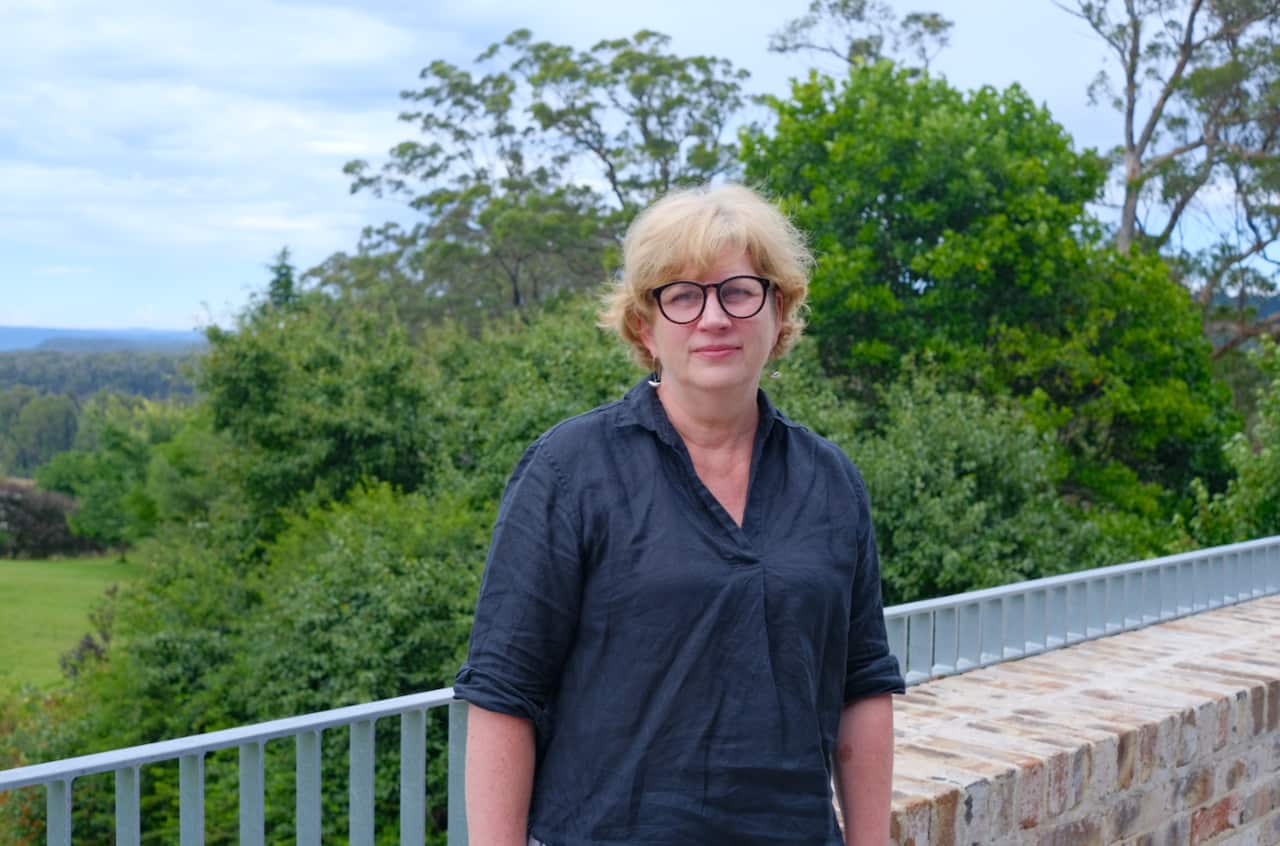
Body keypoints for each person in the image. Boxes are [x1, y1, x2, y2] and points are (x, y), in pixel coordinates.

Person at [453, 183, 905, 845]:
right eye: (683, 295)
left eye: (740, 290)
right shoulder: (570, 471)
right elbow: (503, 692)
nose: (714, 318)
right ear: (645, 324)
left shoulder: (830, 481)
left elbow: (862, 686)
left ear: (780, 311)